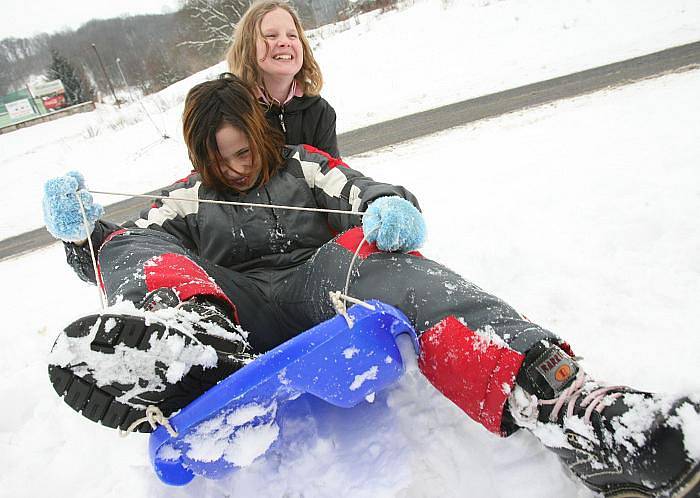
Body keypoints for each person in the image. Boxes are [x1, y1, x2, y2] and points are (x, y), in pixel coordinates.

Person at [43, 74, 699, 498]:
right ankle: (181, 343)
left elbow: (365, 193)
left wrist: (391, 207)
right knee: (137, 239)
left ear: (262, 136)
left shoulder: (305, 166)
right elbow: (120, 251)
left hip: (319, 287)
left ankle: (555, 398)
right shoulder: (185, 200)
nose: (235, 168)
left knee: (372, 249)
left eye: (243, 151)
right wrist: (84, 238)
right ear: (197, 155)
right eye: (217, 158)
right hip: (231, 315)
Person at [227, 0, 339, 157]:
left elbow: (332, 175)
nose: (284, 42)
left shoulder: (320, 111)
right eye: (271, 35)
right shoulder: (231, 113)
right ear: (248, 47)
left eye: (292, 35)